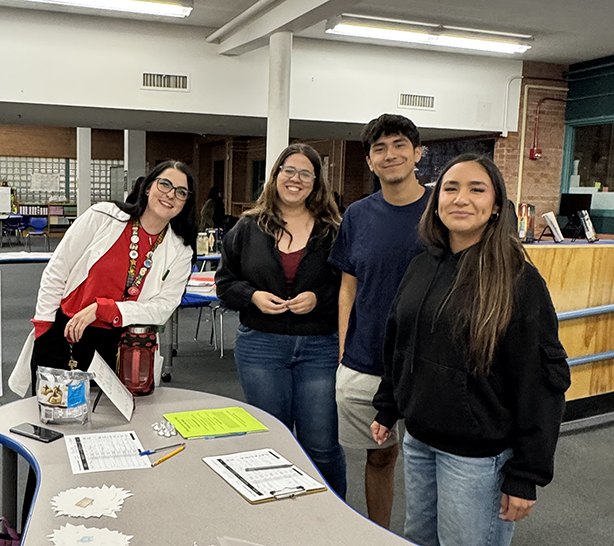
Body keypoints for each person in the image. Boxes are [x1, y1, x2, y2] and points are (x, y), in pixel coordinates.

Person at [371, 153, 570, 546]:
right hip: (420, 440)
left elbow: (540, 382)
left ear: (496, 206)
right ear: (437, 200)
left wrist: (527, 473)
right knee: (419, 539)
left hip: (477, 458)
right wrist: (389, 405)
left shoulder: (517, 280)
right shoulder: (422, 265)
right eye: (450, 188)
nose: (461, 198)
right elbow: (400, 343)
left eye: (476, 189)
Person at [216, 143, 346, 498]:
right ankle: (275, 519)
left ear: (316, 182)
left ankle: (332, 520)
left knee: (321, 444)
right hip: (261, 346)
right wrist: (253, 296)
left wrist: (319, 299)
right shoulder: (247, 227)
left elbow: (349, 288)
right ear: (275, 176)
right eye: (289, 170)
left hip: (319, 346)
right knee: (271, 441)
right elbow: (225, 284)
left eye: (306, 173)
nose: (296, 179)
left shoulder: (334, 230)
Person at [328, 113, 431, 527]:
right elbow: (348, 288)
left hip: (430, 361)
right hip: (368, 357)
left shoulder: (440, 210)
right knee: (381, 454)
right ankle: (379, 534)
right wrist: (343, 351)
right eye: (380, 148)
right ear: (369, 161)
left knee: (431, 460)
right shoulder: (356, 215)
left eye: (400, 145)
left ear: (417, 153)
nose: (391, 155)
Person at [18, 160, 197, 388]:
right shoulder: (103, 216)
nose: (171, 194)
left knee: (114, 421)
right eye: (165, 184)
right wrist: (43, 328)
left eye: (181, 192)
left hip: (124, 346)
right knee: (55, 414)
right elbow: (57, 270)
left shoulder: (180, 250)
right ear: (148, 187)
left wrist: (104, 310)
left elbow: (162, 308)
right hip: (65, 334)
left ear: (186, 202)